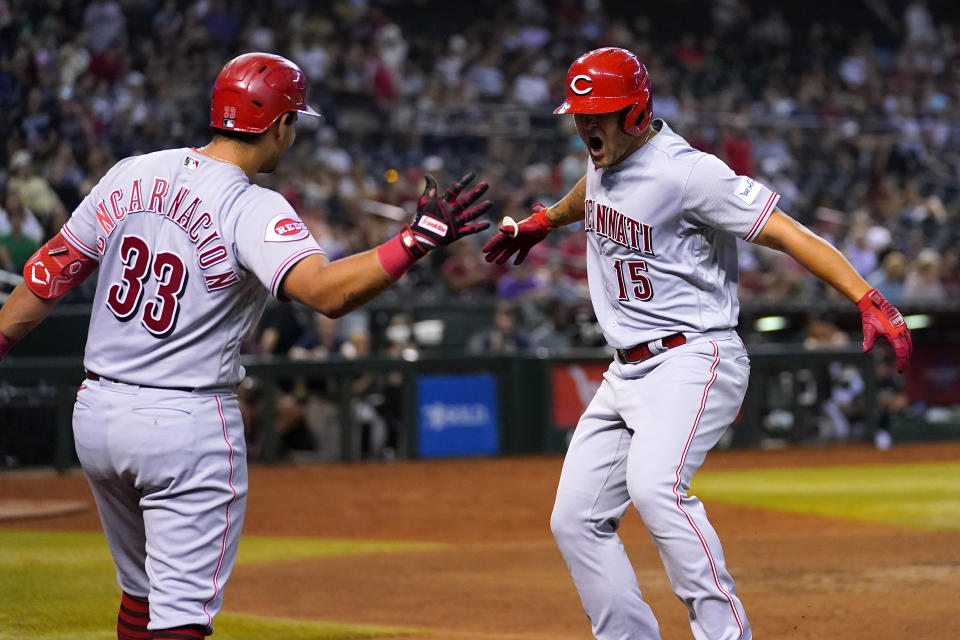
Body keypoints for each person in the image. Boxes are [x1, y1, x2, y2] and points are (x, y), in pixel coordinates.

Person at [0, 52, 489, 640]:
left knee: (142, 594)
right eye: (294, 122)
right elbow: (326, 294)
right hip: (184, 423)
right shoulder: (250, 204)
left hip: (98, 413)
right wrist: (415, 239)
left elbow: (48, 275)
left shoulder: (132, 171)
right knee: (179, 614)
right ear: (280, 124)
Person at [483, 47, 912, 640]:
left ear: (636, 113)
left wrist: (864, 295)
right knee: (575, 519)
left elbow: (786, 231)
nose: (586, 124)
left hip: (694, 356)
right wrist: (544, 220)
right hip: (625, 372)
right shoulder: (607, 161)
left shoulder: (689, 172)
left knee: (657, 488)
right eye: (580, 112)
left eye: (599, 113)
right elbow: (595, 191)